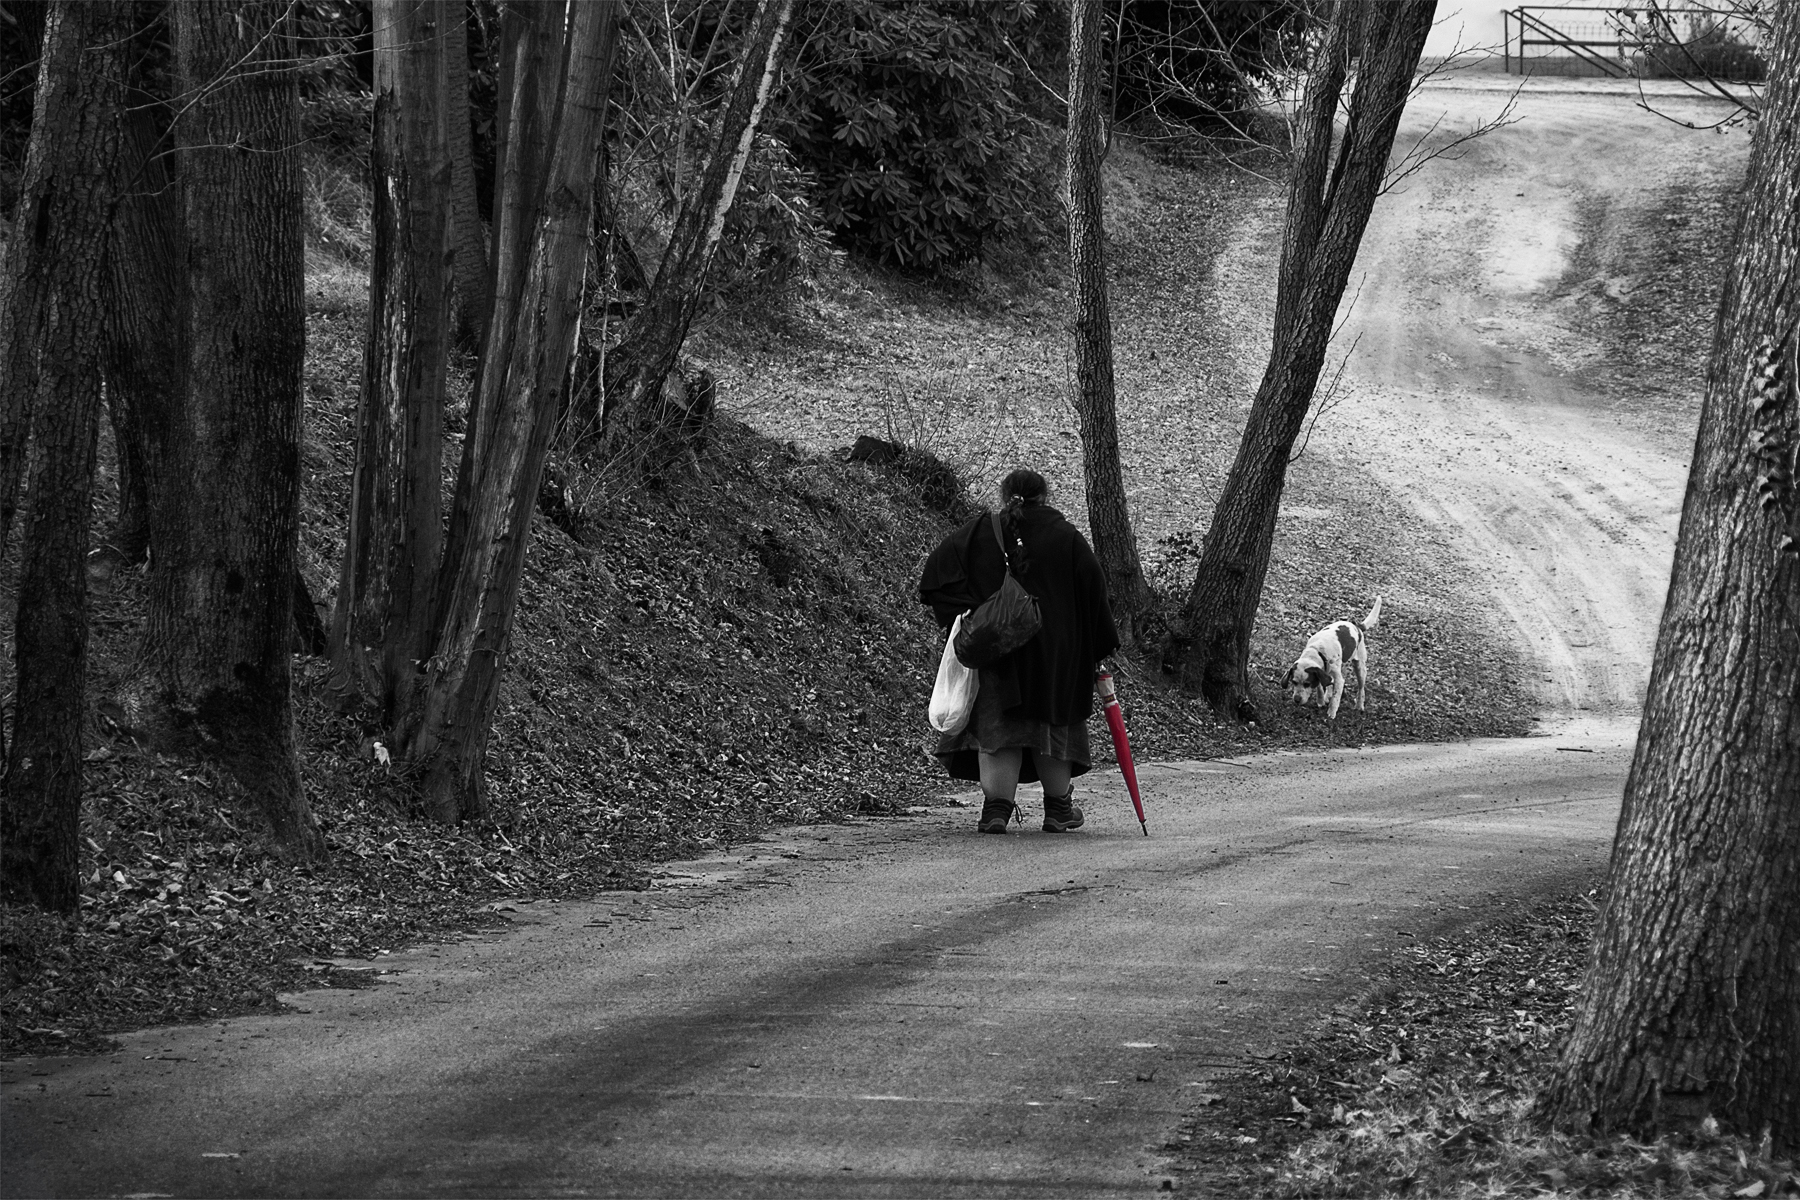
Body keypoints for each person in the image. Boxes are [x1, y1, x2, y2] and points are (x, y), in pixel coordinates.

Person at [918, 469, 1121, 834]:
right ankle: (1058, 810)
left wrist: (968, 614)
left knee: (999, 729)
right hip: (1056, 657)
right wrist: (1093, 647)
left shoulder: (981, 531)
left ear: (1004, 494)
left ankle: (995, 811)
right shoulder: (1066, 537)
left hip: (999, 652)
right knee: (1051, 728)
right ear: (1046, 496)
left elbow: (935, 575)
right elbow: (1095, 593)